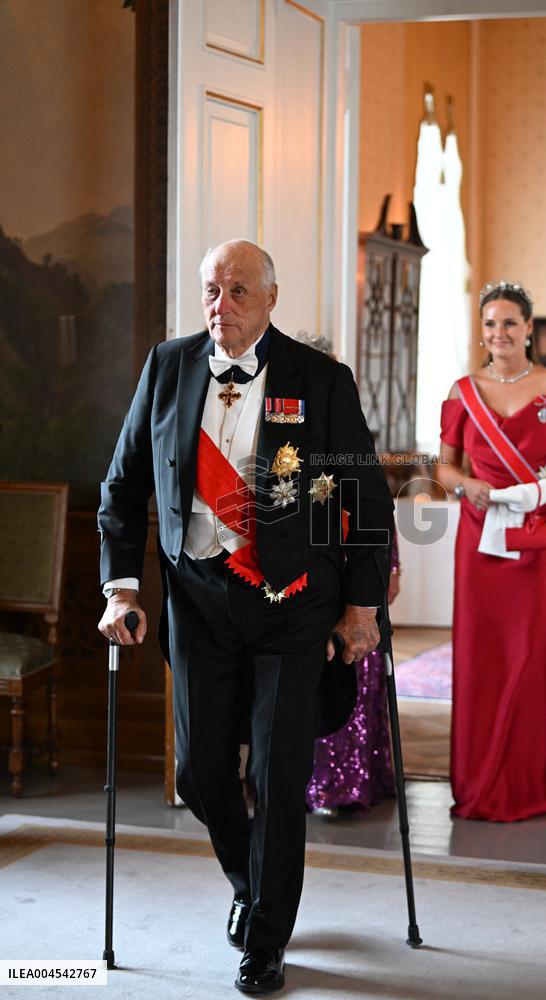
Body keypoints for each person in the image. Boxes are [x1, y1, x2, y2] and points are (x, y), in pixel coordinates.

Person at [97, 239, 394, 994]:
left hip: (293, 607)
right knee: (200, 774)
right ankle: (248, 881)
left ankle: (265, 939)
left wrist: (361, 606)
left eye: (235, 291)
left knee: (276, 768)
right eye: (210, 290)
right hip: (198, 601)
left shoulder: (320, 381)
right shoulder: (168, 366)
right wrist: (121, 589)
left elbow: (364, 505)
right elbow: (123, 485)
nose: (219, 306)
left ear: (269, 298)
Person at [437, 280, 546, 822]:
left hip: (538, 535)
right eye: (490, 323)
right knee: (483, 654)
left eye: (509, 322)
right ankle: (482, 779)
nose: (498, 333)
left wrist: (543, 491)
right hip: (479, 539)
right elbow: (444, 465)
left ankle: (541, 780)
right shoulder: (463, 391)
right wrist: (465, 486)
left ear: (529, 327)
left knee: (533, 649)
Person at [306, 530, 400, 817]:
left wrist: (392, 566)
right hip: (312, 571)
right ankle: (316, 783)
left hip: (360, 569)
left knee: (361, 673)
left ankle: (357, 782)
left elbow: (377, 512)